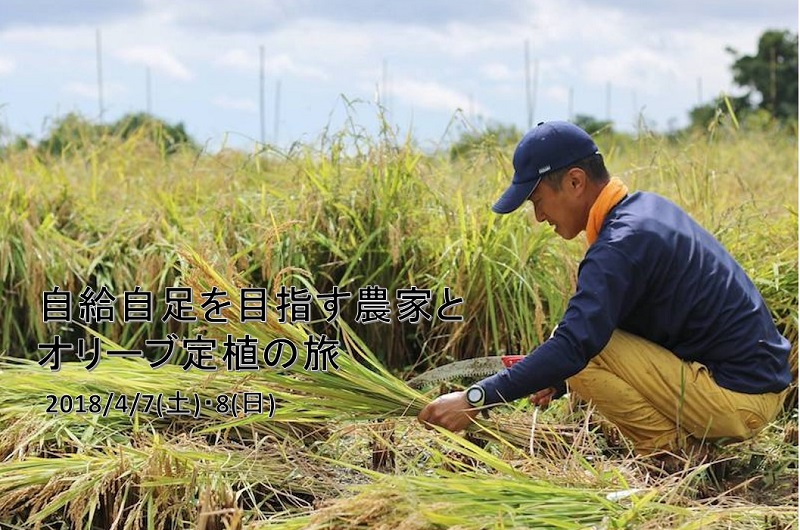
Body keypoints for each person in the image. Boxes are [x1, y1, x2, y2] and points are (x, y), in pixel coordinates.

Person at [418, 121, 791, 457]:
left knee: (580, 354)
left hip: (738, 399)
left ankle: (671, 454)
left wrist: (475, 398)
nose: (539, 217)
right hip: (755, 387)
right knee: (578, 354)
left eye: (537, 201)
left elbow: (576, 345)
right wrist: (557, 378)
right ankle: (684, 449)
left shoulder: (618, 246)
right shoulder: (645, 212)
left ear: (576, 182)